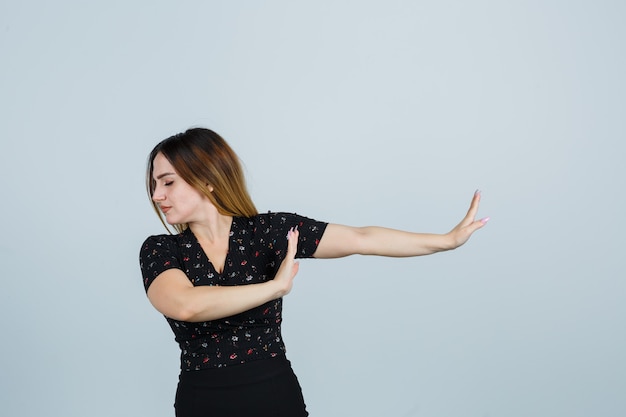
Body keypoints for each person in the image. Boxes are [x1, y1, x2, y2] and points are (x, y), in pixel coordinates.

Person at [139, 127, 489, 417]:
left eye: (167, 182)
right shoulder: (160, 249)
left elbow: (360, 237)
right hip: (203, 401)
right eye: (155, 185)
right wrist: (273, 288)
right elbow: (186, 305)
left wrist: (446, 241)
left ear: (207, 179)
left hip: (274, 395)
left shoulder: (266, 232)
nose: (157, 195)